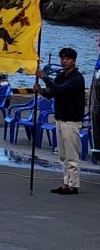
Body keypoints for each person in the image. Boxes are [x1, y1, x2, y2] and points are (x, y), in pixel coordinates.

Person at [36, 47, 86, 195]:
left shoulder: (77, 78)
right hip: (60, 118)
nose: (64, 61)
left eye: (68, 59)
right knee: (63, 155)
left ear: (74, 61)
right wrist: (41, 90)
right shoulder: (60, 76)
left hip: (72, 121)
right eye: (63, 59)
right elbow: (51, 93)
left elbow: (59, 89)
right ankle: (66, 183)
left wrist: (44, 77)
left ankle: (73, 185)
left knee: (71, 155)